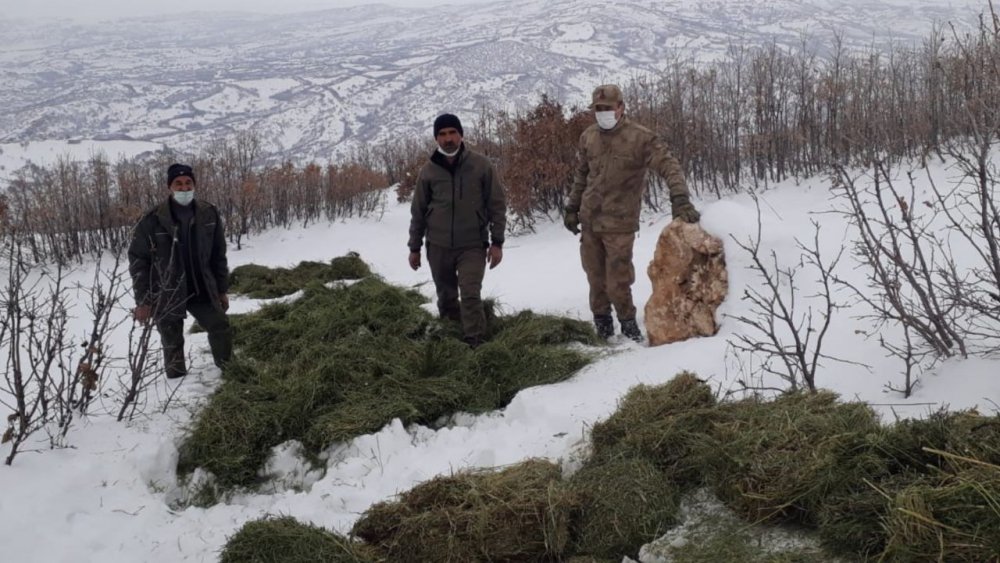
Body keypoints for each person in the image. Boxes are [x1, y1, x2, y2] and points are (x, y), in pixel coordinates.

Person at [564, 84, 701, 342]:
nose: (602, 113)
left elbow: (669, 165)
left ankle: (629, 328)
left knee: (618, 281)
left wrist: (679, 197)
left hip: (620, 223)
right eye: (598, 109)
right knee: (595, 278)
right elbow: (582, 175)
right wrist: (572, 207)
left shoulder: (640, 138)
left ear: (621, 107)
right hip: (590, 220)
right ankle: (603, 328)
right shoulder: (589, 137)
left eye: (607, 108)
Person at [408, 113, 507, 348]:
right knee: (446, 297)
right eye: (442, 134)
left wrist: (497, 242)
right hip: (438, 245)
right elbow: (418, 212)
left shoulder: (481, 166)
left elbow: (497, 205)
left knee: (471, 294)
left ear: (461, 135)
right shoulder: (428, 171)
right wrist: (415, 248)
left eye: (452, 132)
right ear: (436, 139)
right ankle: (451, 341)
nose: (448, 138)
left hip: (472, 244)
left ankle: (476, 342)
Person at [128, 163, 233, 379]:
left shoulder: (208, 214)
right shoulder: (153, 220)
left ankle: (229, 369)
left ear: (194, 185)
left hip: (201, 287)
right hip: (167, 291)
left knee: (220, 326)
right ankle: (176, 383)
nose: (184, 188)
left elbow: (218, 255)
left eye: (188, 183)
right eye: (178, 183)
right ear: (170, 187)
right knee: (171, 340)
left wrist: (221, 289)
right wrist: (144, 301)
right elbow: (139, 261)